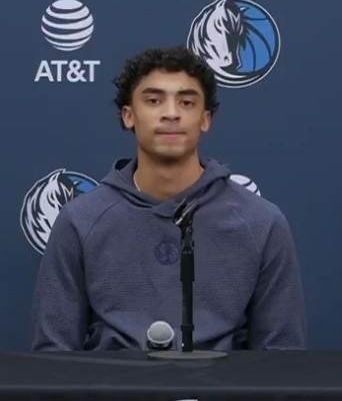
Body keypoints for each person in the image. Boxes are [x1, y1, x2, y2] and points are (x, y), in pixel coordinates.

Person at [29, 46, 307, 351]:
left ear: (205, 119)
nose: (171, 113)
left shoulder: (261, 222)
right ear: (128, 116)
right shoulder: (80, 220)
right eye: (153, 101)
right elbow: (53, 356)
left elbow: (281, 357)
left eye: (187, 102)